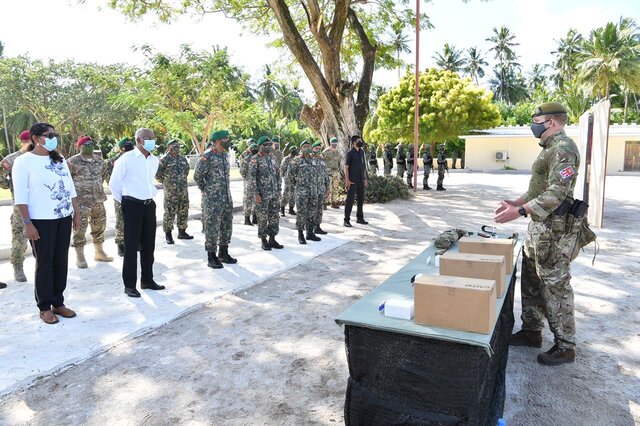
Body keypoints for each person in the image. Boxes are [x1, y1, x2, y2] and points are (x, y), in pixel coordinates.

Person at [494, 102, 581, 366]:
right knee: (531, 281)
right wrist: (517, 203)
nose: (533, 124)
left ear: (552, 123)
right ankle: (532, 331)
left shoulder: (564, 150)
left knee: (555, 285)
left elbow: (557, 193)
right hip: (539, 229)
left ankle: (565, 346)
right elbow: (536, 192)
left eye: (537, 120)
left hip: (553, 230)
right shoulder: (549, 150)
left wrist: (519, 213)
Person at [12, 122, 81, 324]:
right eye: (48, 135)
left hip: (63, 217)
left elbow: (71, 189)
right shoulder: (23, 162)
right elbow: (21, 197)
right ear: (35, 138)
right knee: (44, 264)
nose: (53, 138)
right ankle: (44, 307)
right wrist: (27, 223)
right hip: (41, 221)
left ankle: (58, 303)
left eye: (54, 134)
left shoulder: (59, 160)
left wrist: (75, 212)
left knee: (60, 261)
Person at [109, 128, 164, 298]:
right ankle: (130, 285)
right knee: (131, 246)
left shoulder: (154, 160)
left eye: (153, 138)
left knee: (149, 245)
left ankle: (147, 280)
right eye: (148, 138)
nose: (152, 141)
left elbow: (148, 182)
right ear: (139, 140)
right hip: (132, 204)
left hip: (149, 205)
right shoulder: (126, 159)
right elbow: (114, 184)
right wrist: (126, 202)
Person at [67, 135, 112, 268]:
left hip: (98, 200)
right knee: (79, 229)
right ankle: (80, 256)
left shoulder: (99, 161)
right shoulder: (72, 162)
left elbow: (102, 176)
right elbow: (67, 181)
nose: (90, 146)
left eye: (91, 144)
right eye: (86, 144)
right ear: (80, 147)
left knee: (99, 226)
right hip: (81, 202)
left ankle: (99, 252)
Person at [194, 130, 237, 269]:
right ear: (218, 141)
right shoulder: (207, 157)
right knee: (212, 227)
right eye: (225, 139)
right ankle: (211, 256)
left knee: (226, 226)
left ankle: (223, 253)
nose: (228, 141)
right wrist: (207, 190)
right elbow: (198, 176)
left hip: (226, 198)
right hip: (212, 200)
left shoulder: (225, 155)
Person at [0, 130, 32, 282]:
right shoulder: (12, 159)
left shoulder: (40, 156)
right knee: (20, 239)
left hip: (41, 204)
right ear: (24, 142)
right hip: (20, 205)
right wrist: (9, 185)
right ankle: (18, 267)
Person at [248, 136, 283, 251]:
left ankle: (272, 238)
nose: (268, 146)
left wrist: (279, 191)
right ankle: (263, 240)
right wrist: (256, 194)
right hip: (262, 195)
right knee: (262, 218)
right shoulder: (255, 159)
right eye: (265, 144)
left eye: (269, 144)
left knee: (274, 217)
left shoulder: (273, 158)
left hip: (273, 193)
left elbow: (278, 175)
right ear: (259, 146)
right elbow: (252, 178)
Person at [156, 139, 193, 244]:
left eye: (177, 145)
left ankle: (182, 232)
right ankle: (168, 234)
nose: (176, 147)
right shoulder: (164, 160)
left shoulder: (182, 159)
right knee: (169, 213)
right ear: (168, 147)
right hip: (171, 192)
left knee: (183, 211)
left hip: (183, 191)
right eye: (173, 146)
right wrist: (167, 183)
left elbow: (186, 170)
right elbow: (158, 175)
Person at [103, 138, 135, 257]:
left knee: (134, 219)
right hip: (120, 194)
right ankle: (121, 245)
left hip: (133, 193)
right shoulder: (113, 161)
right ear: (122, 149)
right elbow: (108, 177)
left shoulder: (135, 158)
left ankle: (133, 242)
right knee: (121, 220)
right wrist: (117, 190)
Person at [288, 140, 320, 244]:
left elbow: (317, 175)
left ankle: (310, 233)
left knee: (312, 212)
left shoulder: (314, 160)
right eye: (304, 146)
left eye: (308, 146)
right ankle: (300, 234)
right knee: (301, 213)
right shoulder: (296, 161)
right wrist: (296, 188)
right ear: (301, 148)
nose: (307, 147)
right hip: (302, 192)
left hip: (313, 191)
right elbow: (290, 176)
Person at [344, 135, 368, 227]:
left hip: (361, 180)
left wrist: (365, 178)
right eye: (359, 140)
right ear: (354, 142)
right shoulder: (350, 153)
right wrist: (347, 180)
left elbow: (364, 166)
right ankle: (346, 220)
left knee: (360, 200)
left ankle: (360, 218)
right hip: (352, 181)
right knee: (349, 201)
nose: (360, 142)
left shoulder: (361, 152)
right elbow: (346, 167)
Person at [312, 141, 330, 235]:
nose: (318, 150)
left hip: (321, 189)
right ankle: (310, 228)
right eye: (316, 148)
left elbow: (326, 175)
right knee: (312, 209)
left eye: (319, 149)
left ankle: (318, 226)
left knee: (319, 209)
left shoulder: (322, 160)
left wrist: (327, 188)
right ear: (312, 149)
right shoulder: (309, 160)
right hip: (312, 190)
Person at [240, 141, 258, 225]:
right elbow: (242, 171)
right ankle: (247, 219)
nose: (254, 150)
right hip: (249, 183)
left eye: (256, 148)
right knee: (248, 200)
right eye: (253, 148)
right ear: (250, 150)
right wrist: (247, 178)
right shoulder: (246, 159)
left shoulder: (258, 158)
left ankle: (255, 217)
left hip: (257, 182)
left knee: (256, 201)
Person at [323, 137, 342, 209]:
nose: (335, 144)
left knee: (335, 187)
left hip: (335, 171)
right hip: (328, 172)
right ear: (330, 143)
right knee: (328, 187)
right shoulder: (325, 151)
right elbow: (321, 160)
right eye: (333, 143)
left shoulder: (337, 152)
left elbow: (339, 160)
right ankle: (324, 202)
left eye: (336, 143)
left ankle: (334, 202)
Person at [280, 146, 299, 216]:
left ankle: (291, 209)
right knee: (286, 193)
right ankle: (282, 209)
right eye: (294, 150)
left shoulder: (297, 159)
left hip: (295, 179)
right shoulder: (286, 159)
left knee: (293, 194)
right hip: (287, 178)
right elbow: (282, 169)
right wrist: (281, 178)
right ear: (291, 151)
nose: (295, 151)